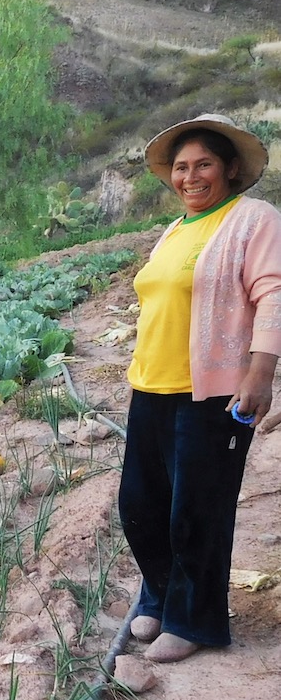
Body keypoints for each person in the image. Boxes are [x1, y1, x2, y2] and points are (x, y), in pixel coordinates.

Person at [121, 113, 281, 663]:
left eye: (204, 164)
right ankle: (161, 598)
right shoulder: (175, 230)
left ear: (231, 169)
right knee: (141, 504)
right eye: (181, 167)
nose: (190, 176)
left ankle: (195, 620)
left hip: (212, 393)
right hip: (151, 386)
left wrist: (261, 372)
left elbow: (273, 292)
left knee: (198, 508)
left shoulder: (252, 219)